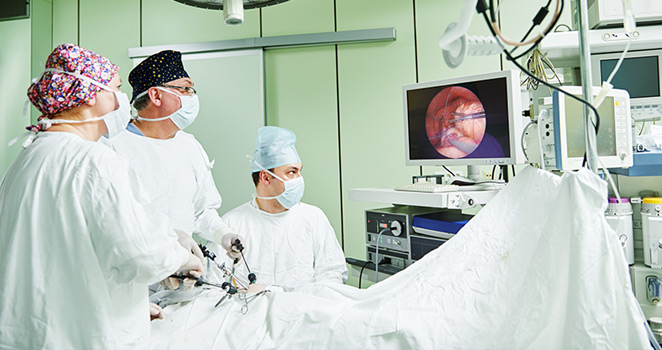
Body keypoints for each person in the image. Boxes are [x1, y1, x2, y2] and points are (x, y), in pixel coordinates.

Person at [0, 44, 204, 349]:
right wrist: (182, 257)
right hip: (79, 338)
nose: (124, 101)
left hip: (33, 331)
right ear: (91, 95)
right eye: (117, 89)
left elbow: (59, 253)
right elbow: (141, 255)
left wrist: (126, 309)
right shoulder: (94, 161)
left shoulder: (28, 156)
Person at [105, 50, 241, 262]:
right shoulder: (112, 147)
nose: (193, 96)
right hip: (134, 277)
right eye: (186, 89)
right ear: (156, 95)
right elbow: (111, 221)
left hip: (185, 274)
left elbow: (202, 211)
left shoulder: (190, 146)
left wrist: (223, 234)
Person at [221, 126, 348, 289]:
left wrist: (310, 303)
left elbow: (332, 272)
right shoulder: (232, 224)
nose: (299, 179)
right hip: (250, 311)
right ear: (265, 176)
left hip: (303, 310)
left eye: (299, 171)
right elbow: (215, 281)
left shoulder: (313, 217)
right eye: (291, 172)